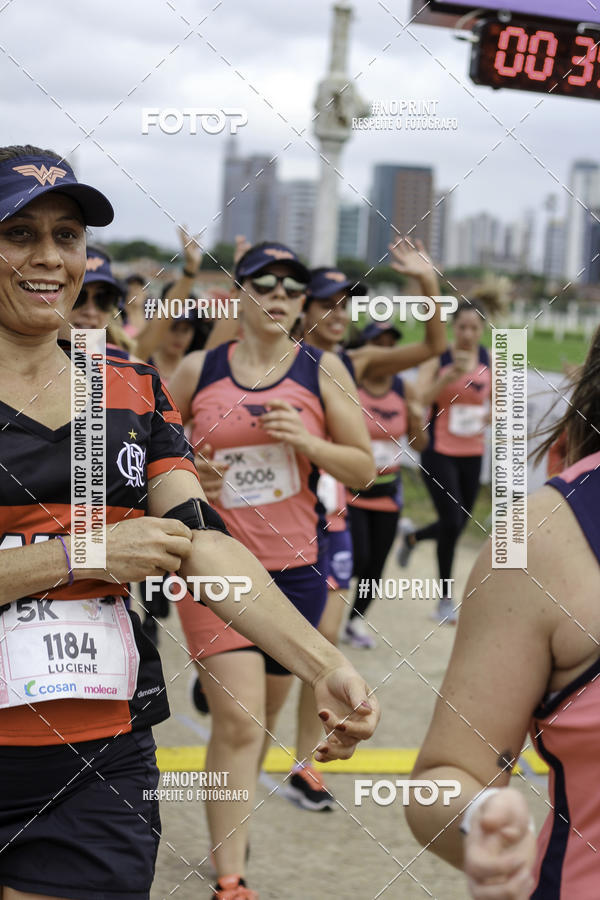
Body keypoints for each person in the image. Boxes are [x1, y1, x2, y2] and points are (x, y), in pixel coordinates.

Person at [0, 144, 380, 900]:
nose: (49, 258)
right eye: (20, 234)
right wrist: (80, 554)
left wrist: (321, 664)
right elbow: (98, 554)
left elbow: (203, 545)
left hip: (98, 764)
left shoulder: (131, 386)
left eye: (67, 236)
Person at [168, 240, 377, 896]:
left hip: (295, 571)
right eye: (267, 283)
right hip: (214, 563)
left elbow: (365, 468)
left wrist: (308, 442)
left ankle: (231, 826)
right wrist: (189, 470)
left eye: (293, 287)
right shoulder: (198, 370)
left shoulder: (323, 370)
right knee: (241, 719)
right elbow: (155, 456)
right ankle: (231, 878)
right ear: (241, 292)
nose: (281, 296)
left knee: (259, 719)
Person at [406, 326, 600, 899]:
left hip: (469, 460)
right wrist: (481, 820)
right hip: (435, 465)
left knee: (449, 526)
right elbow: (444, 780)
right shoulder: (539, 538)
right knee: (447, 527)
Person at [399, 300, 491, 624]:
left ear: (482, 330)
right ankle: (444, 600)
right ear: (454, 327)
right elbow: (418, 400)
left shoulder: (488, 360)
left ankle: (412, 537)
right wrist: (448, 376)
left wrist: (490, 414)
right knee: (451, 523)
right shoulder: (440, 358)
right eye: (462, 327)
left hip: (472, 453)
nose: (467, 334)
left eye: (474, 328)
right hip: (437, 450)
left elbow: (499, 404)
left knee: (458, 524)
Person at [344, 321, 427, 648]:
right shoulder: (349, 383)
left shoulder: (404, 389)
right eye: (377, 344)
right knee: (358, 558)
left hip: (389, 493)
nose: (386, 351)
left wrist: (417, 419)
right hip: (350, 492)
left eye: (391, 345)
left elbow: (419, 445)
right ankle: (327, 609)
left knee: (375, 568)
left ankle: (353, 622)